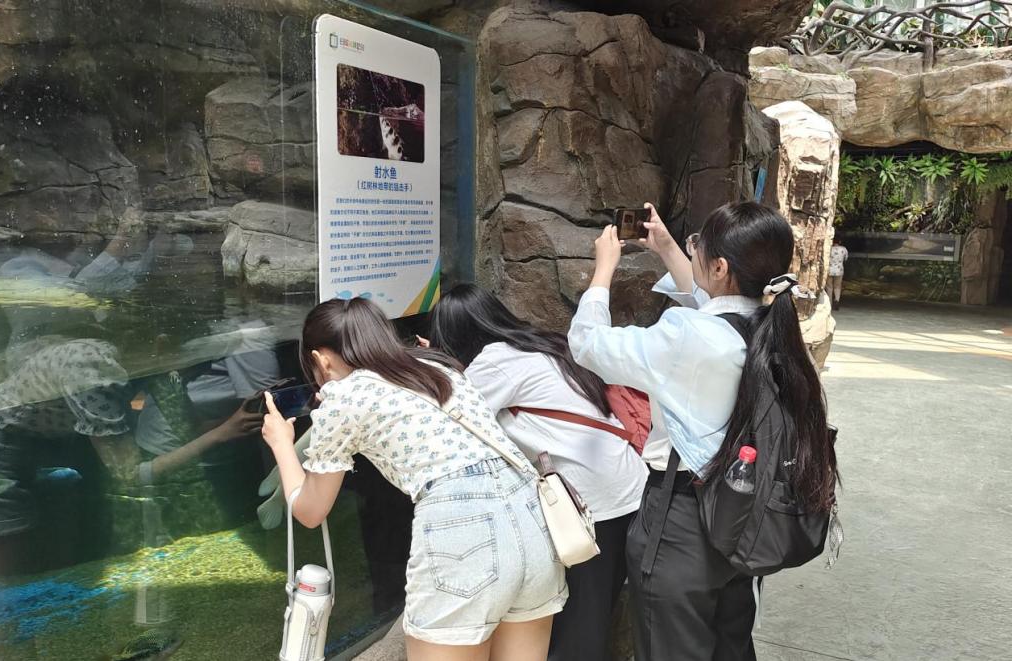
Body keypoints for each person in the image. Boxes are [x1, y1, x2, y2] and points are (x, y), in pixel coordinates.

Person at [568, 202, 837, 661]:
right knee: (730, 646)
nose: (691, 250)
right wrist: (669, 248)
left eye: (698, 246)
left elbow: (586, 344)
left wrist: (603, 271)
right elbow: (714, 308)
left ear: (720, 266)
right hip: (741, 521)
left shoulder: (688, 336)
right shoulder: (773, 328)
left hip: (683, 523)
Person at [261, 298, 566, 661]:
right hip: (533, 518)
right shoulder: (437, 368)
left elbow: (311, 511)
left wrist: (281, 443)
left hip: (462, 529)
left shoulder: (343, 396)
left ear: (321, 360)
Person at [427, 284, 647, 661]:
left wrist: (432, 365)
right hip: (626, 490)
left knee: (579, 626)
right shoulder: (541, 344)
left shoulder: (494, 363)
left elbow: (446, 420)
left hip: (595, 506)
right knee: (594, 613)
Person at [827, 236, 848, 309]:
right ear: (840, 241)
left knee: (829, 287)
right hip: (839, 270)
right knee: (837, 286)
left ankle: (829, 303)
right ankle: (837, 300)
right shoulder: (843, 249)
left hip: (829, 270)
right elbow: (845, 259)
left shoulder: (829, 249)